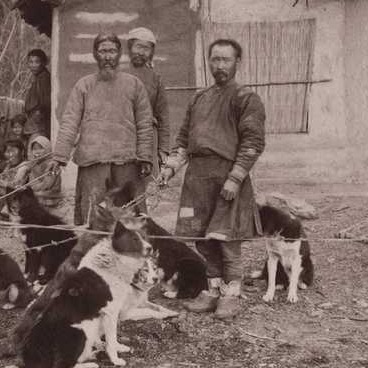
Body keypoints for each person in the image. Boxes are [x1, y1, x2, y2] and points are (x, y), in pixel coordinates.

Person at [159, 39, 266, 320]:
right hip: (197, 178)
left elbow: (253, 142)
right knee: (202, 239)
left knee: (226, 239)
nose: (219, 65)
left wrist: (236, 177)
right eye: (215, 60)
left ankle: (232, 295)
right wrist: (171, 167)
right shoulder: (199, 98)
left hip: (227, 177)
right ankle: (214, 291)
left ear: (237, 63)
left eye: (226, 60)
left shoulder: (246, 98)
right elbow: (183, 138)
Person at [47, 33, 153, 224]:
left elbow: (145, 123)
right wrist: (59, 156)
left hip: (127, 162)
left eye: (112, 51)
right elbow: (69, 122)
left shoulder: (134, 85)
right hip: (93, 163)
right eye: (102, 51)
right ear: (95, 54)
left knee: (133, 218)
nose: (107, 57)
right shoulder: (84, 85)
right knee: (93, 219)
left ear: (120, 53)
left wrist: (145, 155)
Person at [122, 27, 171, 172]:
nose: (141, 52)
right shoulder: (118, 73)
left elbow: (163, 115)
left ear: (151, 53)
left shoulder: (155, 78)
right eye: (138, 47)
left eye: (146, 49)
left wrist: (163, 148)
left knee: (147, 183)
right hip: (122, 135)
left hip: (149, 136)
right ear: (130, 47)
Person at [15, 135, 62, 209]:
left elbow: (47, 184)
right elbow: (27, 172)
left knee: (25, 199)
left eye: (40, 148)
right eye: (34, 149)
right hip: (37, 192)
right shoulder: (35, 162)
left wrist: (30, 188)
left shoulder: (50, 164)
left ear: (47, 149)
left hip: (49, 196)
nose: (37, 151)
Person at [23, 49, 51, 139]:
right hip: (34, 123)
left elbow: (46, 103)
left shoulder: (43, 78)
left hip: (39, 123)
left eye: (37, 62)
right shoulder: (39, 78)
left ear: (43, 63)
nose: (33, 65)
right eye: (31, 62)